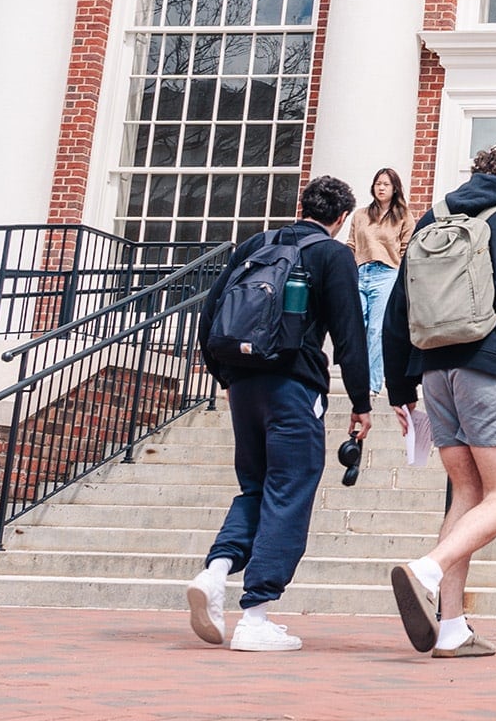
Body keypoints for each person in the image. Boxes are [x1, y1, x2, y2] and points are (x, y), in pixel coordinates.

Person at [382, 140, 496, 659]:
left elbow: (399, 308)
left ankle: (452, 627)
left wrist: (401, 388)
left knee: (466, 495)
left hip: (436, 372)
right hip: (494, 368)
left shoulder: (431, 219)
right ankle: (426, 568)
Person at [186, 174, 372, 653]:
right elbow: (350, 333)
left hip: (244, 384)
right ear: (341, 218)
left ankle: (217, 571)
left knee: (256, 486)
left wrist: (226, 379)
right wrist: (361, 402)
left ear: (301, 206)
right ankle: (256, 615)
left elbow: (210, 316)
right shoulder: (332, 254)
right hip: (295, 386)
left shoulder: (257, 243)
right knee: (289, 491)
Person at [349, 166, 411, 396]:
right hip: (360, 272)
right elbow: (351, 244)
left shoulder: (403, 216)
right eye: (378, 183)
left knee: (376, 330)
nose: (381, 188)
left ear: (395, 188)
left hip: (386, 274)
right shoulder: (360, 215)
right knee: (357, 328)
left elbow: (406, 249)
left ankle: (372, 385)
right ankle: (356, 381)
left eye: (386, 184)